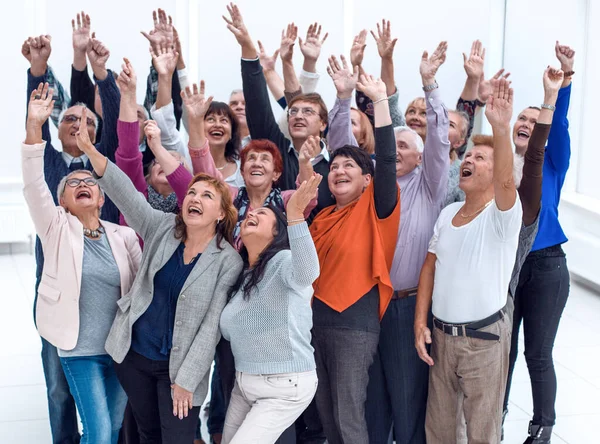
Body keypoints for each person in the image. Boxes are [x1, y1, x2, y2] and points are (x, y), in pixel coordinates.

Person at [76, 119, 243, 444]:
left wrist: (187, 380)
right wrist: (89, 150)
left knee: (177, 439)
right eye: (192, 192)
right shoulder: (162, 227)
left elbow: (211, 329)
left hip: (179, 371)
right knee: (147, 434)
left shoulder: (228, 261)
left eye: (207, 195)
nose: (195, 197)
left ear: (221, 213)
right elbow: (126, 196)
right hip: (134, 358)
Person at [22, 83, 141, 444]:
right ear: (62, 200)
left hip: (119, 352)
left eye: (89, 180)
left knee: (113, 428)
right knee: (100, 432)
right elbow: (33, 185)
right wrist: (33, 127)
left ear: (104, 197)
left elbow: (141, 288)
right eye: (72, 183)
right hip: (79, 350)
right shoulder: (56, 227)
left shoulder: (123, 237)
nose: (81, 182)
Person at [414, 78, 522, 443]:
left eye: (480, 158)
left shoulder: (502, 216)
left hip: (483, 341)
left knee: (481, 433)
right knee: (440, 431)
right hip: (442, 340)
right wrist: (419, 322)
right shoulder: (449, 213)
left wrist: (501, 129)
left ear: (495, 172)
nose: (469, 160)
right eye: (469, 155)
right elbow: (429, 266)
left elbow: (508, 183)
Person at [308, 72, 400, 443]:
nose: (340, 170)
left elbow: (389, 159)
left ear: (367, 179)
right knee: (327, 415)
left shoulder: (378, 209)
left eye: (350, 166)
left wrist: (379, 101)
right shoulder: (323, 216)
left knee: (348, 414)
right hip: (315, 322)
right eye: (335, 167)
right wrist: (341, 98)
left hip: (354, 325)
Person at [366, 41, 450, 444]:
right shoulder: (372, 188)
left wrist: (430, 84)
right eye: (392, 145)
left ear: (419, 158)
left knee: (406, 401)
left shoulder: (430, 187)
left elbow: (440, 143)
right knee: (373, 405)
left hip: (406, 308)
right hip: (368, 305)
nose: (396, 151)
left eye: (405, 146)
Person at [503, 42, 575, 444]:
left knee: (538, 353)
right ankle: (493, 415)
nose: (526, 123)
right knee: (503, 349)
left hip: (546, 265)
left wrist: (563, 82)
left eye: (534, 119)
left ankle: (542, 427)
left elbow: (558, 124)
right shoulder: (497, 163)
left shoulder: (551, 161)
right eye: (521, 118)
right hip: (505, 265)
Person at [220, 175, 322, 444]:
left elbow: (309, 271)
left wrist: (296, 214)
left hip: (285, 386)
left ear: (277, 231)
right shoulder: (242, 275)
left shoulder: (285, 261)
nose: (250, 215)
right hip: (244, 386)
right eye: (249, 214)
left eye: (262, 213)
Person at [224, 4, 339, 217]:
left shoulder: (336, 163)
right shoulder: (274, 150)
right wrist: (248, 50)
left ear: (323, 123)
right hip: (274, 247)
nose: (298, 116)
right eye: (293, 112)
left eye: (308, 112)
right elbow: (258, 106)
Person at [348, 22, 406, 130]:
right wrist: (356, 65)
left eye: (423, 113)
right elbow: (375, 98)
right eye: (349, 123)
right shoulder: (368, 130)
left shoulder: (399, 133)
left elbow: (388, 105)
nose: (416, 118)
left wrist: (387, 59)